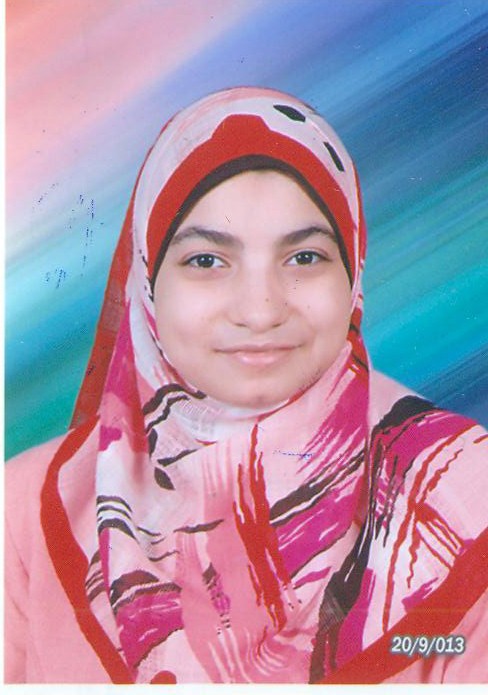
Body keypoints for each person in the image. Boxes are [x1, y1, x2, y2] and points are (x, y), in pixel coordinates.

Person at [5, 87, 487, 685]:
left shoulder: (459, 497)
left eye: (304, 257)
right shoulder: (23, 515)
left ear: (354, 273)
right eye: (207, 261)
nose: (260, 311)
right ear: (147, 283)